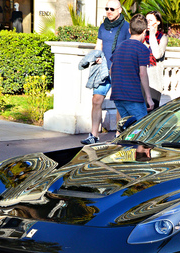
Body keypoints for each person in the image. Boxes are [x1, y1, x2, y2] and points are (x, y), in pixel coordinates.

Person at [81, 0, 130, 145]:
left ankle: (118, 134)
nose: (109, 11)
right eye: (107, 8)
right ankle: (93, 135)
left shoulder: (126, 27)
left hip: (119, 70)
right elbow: (99, 45)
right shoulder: (103, 26)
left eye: (112, 9)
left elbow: (127, 48)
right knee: (96, 100)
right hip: (103, 71)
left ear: (119, 10)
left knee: (119, 104)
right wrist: (97, 57)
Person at [109, 14, 154, 123]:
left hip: (117, 95)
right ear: (144, 31)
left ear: (129, 30)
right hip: (133, 96)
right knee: (142, 127)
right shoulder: (142, 48)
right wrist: (149, 97)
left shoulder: (119, 46)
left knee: (127, 128)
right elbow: (142, 74)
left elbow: (111, 70)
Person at [144, 11, 168, 108]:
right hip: (140, 80)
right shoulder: (142, 36)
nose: (148, 23)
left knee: (151, 112)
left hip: (154, 82)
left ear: (158, 22)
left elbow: (157, 54)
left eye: (150, 20)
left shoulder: (163, 37)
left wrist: (152, 35)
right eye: (146, 20)